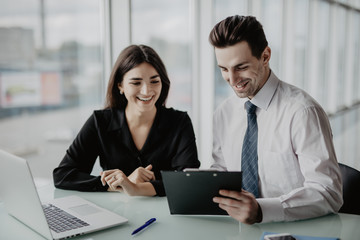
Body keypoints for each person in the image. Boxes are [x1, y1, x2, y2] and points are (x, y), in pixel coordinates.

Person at [209, 15, 342, 224]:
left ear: (265, 56)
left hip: (296, 231)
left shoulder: (302, 112)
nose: (232, 80)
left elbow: (328, 193)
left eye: (241, 67)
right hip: (237, 230)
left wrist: (261, 210)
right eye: (224, 69)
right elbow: (223, 171)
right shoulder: (223, 113)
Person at [53, 44, 200, 196]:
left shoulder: (179, 122)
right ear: (120, 85)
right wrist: (118, 184)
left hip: (166, 214)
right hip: (116, 212)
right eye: (136, 83)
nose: (146, 91)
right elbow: (63, 175)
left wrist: (135, 188)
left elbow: (188, 181)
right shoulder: (100, 121)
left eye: (155, 81)